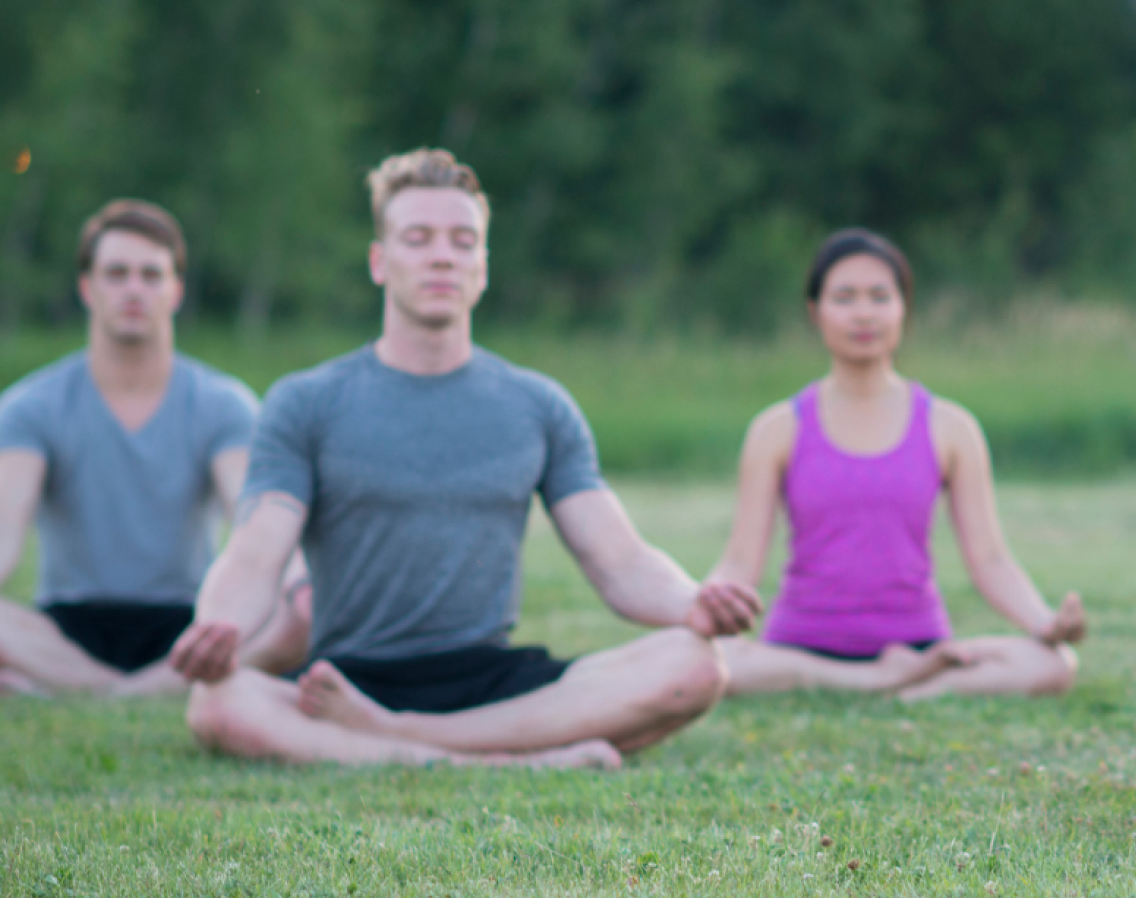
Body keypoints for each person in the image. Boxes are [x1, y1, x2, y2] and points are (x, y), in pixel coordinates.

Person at [167, 149, 761, 768]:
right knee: (217, 704)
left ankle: (396, 739)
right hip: (347, 681)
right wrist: (221, 627)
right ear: (379, 261)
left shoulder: (538, 404)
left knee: (693, 664)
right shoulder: (307, 401)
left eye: (462, 240)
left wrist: (693, 602)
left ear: (482, 265)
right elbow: (256, 552)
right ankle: (502, 758)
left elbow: (619, 559)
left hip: (489, 680)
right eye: (417, 239)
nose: (442, 255)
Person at [0, 201, 306, 696]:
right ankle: (145, 689)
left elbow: (252, 516)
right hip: (69, 626)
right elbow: (0, 516)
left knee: (291, 625)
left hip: (187, 624)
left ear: (176, 290)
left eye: (151, 275)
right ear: (88, 287)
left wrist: (294, 588)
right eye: (117, 273)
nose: (133, 290)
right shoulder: (30, 405)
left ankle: (73, 691)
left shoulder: (224, 404)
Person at [709, 229, 1085, 700]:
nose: (863, 312)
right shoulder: (777, 428)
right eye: (844, 297)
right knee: (712, 663)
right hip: (797, 647)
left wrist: (1043, 622)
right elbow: (740, 561)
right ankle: (878, 683)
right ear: (815, 312)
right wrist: (704, 605)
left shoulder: (950, 426)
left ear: (903, 308)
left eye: (879, 297)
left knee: (1053, 664)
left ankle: (914, 683)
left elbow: (990, 560)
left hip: (921, 646)